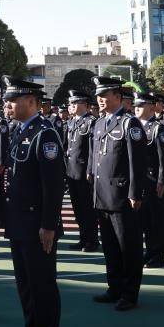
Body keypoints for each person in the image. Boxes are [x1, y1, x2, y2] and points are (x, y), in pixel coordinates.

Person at [1, 77, 63, 327]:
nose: (8, 105)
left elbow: (52, 186)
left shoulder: (45, 134)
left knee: (42, 289)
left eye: (12, 100)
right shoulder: (20, 131)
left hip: (38, 226)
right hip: (19, 224)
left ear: (30, 101)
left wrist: (49, 225)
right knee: (25, 287)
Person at [89, 76, 147, 311]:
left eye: (105, 95)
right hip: (103, 194)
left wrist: (136, 193)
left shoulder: (129, 123)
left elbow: (137, 162)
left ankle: (129, 293)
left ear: (118, 97)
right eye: (98, 96)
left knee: (128, 247)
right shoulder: (100, 123)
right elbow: (96, 156)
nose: (100, 99)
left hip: (122, 195)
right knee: (110, 246)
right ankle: (114, 288)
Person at [134, 91, 164, 268]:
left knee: (157, 220)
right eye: (135, 105)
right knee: (144, 221)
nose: (136, 108)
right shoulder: (134, 126)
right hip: (140, 181)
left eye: (140, 105)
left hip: (154, 181)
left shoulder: (159, 128)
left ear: (151, 107)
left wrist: (162, 181)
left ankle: (158, 255)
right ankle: (149, 252)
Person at [64, 89, 98, 252]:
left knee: (87, 208)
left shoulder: (91, 122)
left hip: (84, 171)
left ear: (84, 104)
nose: (71, 106)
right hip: (72, 171)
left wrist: (90, 170)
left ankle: (91, 240)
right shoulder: (72, 122)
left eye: (74, 103)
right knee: (77, 207)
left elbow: (93, 150)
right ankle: (83, 238)